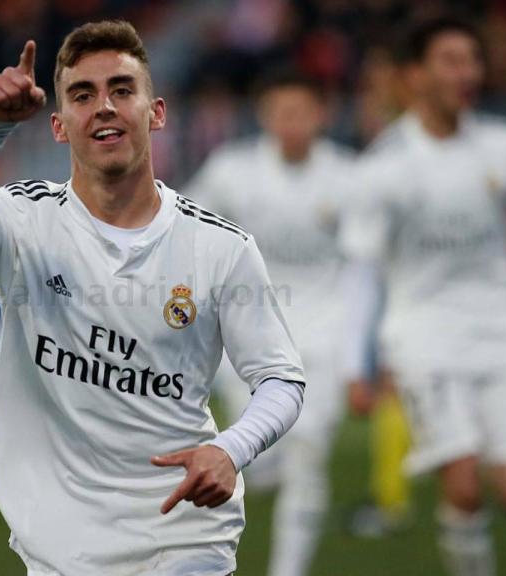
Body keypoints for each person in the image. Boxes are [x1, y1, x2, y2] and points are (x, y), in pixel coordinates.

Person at [0, 20, 306, 576]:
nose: (103, 106)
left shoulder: (221, 247)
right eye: (83, 94)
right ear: (57, 125)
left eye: (122, 90)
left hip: (184, 531)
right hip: (60, 542)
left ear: (156, 112)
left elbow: (281, 378)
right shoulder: (24, 221)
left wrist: (231, 448)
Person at [340, 16, 506, 576]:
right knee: (463, 486)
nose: (468, 72)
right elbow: (363, 273)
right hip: (424, 337)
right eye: (451, 60)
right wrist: (355, 362)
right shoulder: (384, 167)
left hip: (503, 333)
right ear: (415, 75)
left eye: (473, 59)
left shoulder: (505, 146)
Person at [186, 69, 355, 576]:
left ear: (321, 115)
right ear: (265, 116)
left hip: (326, 330)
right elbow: (184, 227)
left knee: (307, 453)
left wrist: (370, 349)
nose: (292, 123)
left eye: (302, 112)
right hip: (246, 333)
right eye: (282, 112)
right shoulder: (230, 172)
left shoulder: (350, 178)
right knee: (255, 460)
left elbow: (372, 264)